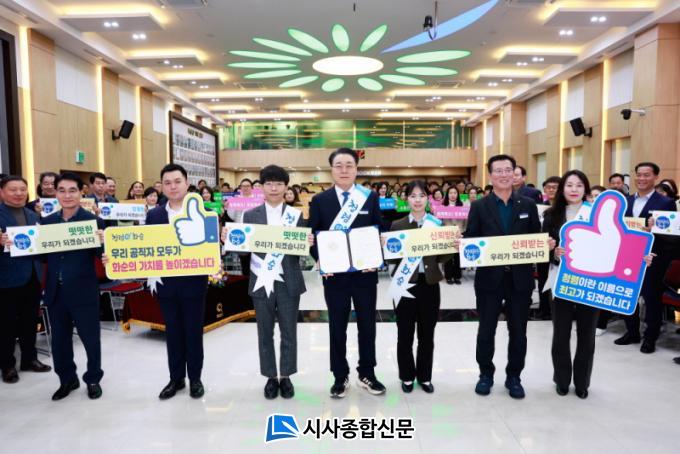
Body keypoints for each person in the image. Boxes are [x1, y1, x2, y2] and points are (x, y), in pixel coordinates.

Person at [223, 165, 311, 400]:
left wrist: (307, 243)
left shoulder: (296, 215)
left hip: (288, 280)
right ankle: (271, 377)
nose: (274, 188)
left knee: (289, 331)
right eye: (269, 183)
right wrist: (230, 240)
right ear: (261, 187)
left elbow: (299, 252)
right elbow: (243, 251)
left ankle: (286, 376)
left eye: (279, 184)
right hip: (261, 280)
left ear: (286, 187)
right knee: (264, 332)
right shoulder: (250, 215)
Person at [461, 154, 541, 399]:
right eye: (498, 170)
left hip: (520, 279)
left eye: (508, 170)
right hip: (489, 279)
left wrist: (545, 244)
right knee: (486, 330)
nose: (504, 174)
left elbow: (535, 237)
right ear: (490, 175)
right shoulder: (479, 206)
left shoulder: (528, 205)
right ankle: (485, 374)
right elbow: (472, 237)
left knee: (519, 332)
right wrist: (462, 243)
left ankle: (514, 377)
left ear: (515, 173)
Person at [308, 148, 386, 398]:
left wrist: (377, 253)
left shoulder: (369, 198)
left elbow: (378, 230)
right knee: (337, 327)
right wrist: (320, 259)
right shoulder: (320, 201)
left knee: (367, 326)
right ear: (331, 169)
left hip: (365, 275)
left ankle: (367, 373)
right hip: (335, 277)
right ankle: (340, 376)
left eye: (349, 165)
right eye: (339, 165)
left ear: (356, 169)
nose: (344, 170)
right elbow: (313, 237)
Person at [143, 164, 211, 400]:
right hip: (165, 284)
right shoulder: (154, 215)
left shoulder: (203, 212)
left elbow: (212, 247)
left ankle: (195, 379)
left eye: (177, 181)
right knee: (172, 332)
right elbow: (146, 248)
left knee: (193, 332)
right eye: (167, 183)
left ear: (187, 183)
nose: (173, 187)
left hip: (194, 283)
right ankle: (176, 378)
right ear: (162, 186)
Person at [41, 172, 106, 400]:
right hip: (56, 292)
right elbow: (41, 256)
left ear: (81, 193)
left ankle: (93, 379)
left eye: (72, 190)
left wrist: (103, 243)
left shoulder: (93, 222)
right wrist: (13, 245)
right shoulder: (47, 222)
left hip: (83, 290)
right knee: (59, 340)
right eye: (62, 190)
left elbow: (102, 255)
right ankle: (67, 379)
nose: (67, 195)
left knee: (90, 339)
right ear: (55, 193)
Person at [389, 180, 452, 394]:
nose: (417, 200)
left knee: (427, 334)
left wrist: (452, 246)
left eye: (422, 195)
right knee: (404, 334)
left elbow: (442, 257)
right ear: (406, 199)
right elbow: (392, 258)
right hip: (404, 285)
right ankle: (406, 376)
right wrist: (386, 246)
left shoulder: (436, 224)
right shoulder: (397, 225)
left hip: (429, 285)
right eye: (413, 196)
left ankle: (425, 376)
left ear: (428, 199)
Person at [542, 170, 598, 399]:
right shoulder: (551, 215)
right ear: (562, 189)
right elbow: (542, 249)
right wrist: (553, 252)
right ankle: (562, 379)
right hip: (561, 279)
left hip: (590, 282)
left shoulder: (596, 214)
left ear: (585, 189)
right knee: (561, 333)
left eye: (579, 185)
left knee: (587, 334)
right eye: (569, 185)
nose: (574, 189)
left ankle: (582, 382)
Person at [615, 162, 677, 353]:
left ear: (656, 177)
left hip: (651, 258)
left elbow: (671, 236)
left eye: (647, 175)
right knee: (627, 295)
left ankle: (650, 337)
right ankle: (632, 331)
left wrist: (653, 230)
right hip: (627, 256)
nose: (642, 178)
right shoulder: (626, 201)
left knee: (651, 299)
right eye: (639, 174)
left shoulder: (665, 202)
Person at [0, 176, 52, 384]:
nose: (19, 193)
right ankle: (7, 365)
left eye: (22, 189)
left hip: (33, 276)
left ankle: (29, 359)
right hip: (6, 278)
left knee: (30, 321)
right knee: (6, 325)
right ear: (2, 192)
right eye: (13, 189)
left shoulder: (33, 215)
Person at [442, 186, 465, 285]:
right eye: (450, 193)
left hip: (459, 233)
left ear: (457, 194)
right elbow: (440, 221)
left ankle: (457, 276)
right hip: (446, 234)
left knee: (458, 257)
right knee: (448, 257)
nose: (453, 195)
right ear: (447, 194)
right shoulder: (442, 207)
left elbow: (466, 221)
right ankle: (448, 276)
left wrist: (463, 231)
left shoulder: (462, 206)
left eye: (455, 193)